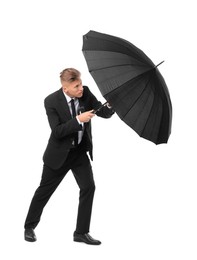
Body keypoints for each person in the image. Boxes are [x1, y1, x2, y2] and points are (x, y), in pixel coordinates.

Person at [24, 68, 114, 245]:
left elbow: (102, 113)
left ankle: (81, 232)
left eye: (80, 84)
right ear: (66, 89)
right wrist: (78, 120)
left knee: (89, 187)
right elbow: (57, 131)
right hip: (58, 154)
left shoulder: (85, 93)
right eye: (76, 86)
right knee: (44, 191)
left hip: (79, 152)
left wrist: (111, 104)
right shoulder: (51, 101)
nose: (81, 88)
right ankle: (29, 226)